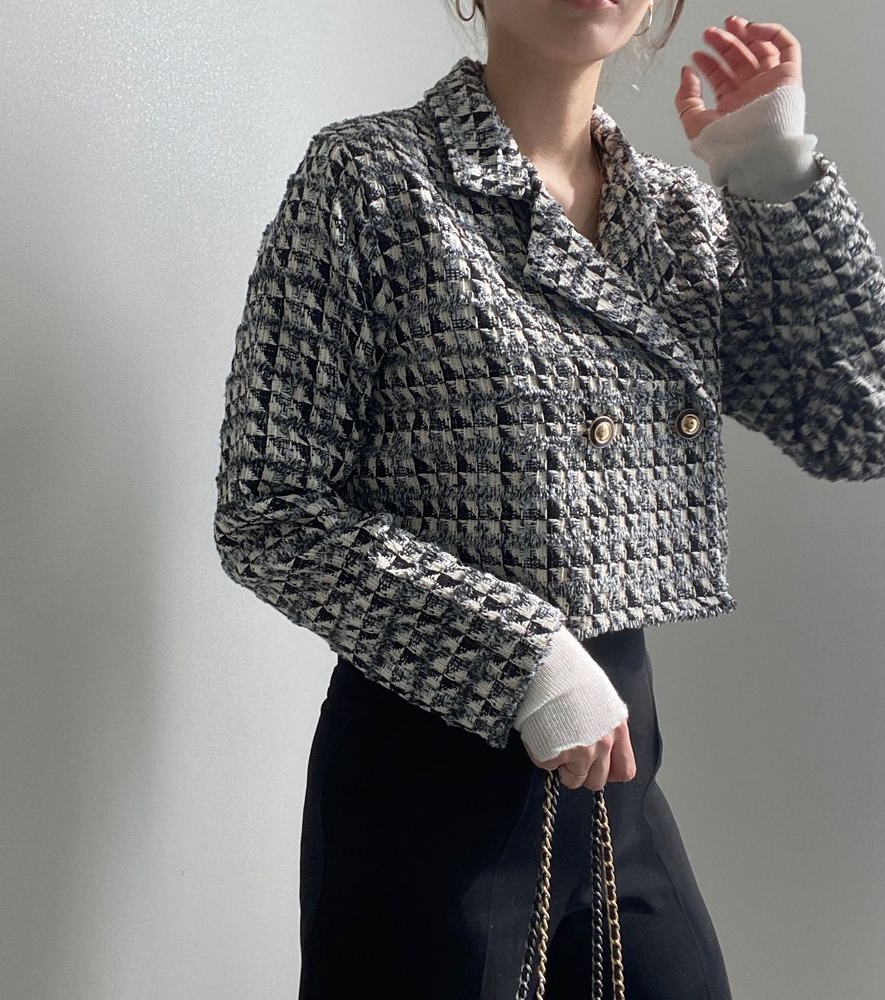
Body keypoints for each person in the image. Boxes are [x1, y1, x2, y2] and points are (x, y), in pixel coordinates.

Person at [213, 2, 885, 997]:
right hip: (433, 772)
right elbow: (269, 511)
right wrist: (518, 655)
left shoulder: (675, 219)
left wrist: (772, 173)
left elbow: (856, 423)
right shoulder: (371, 180)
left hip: (620, 764)